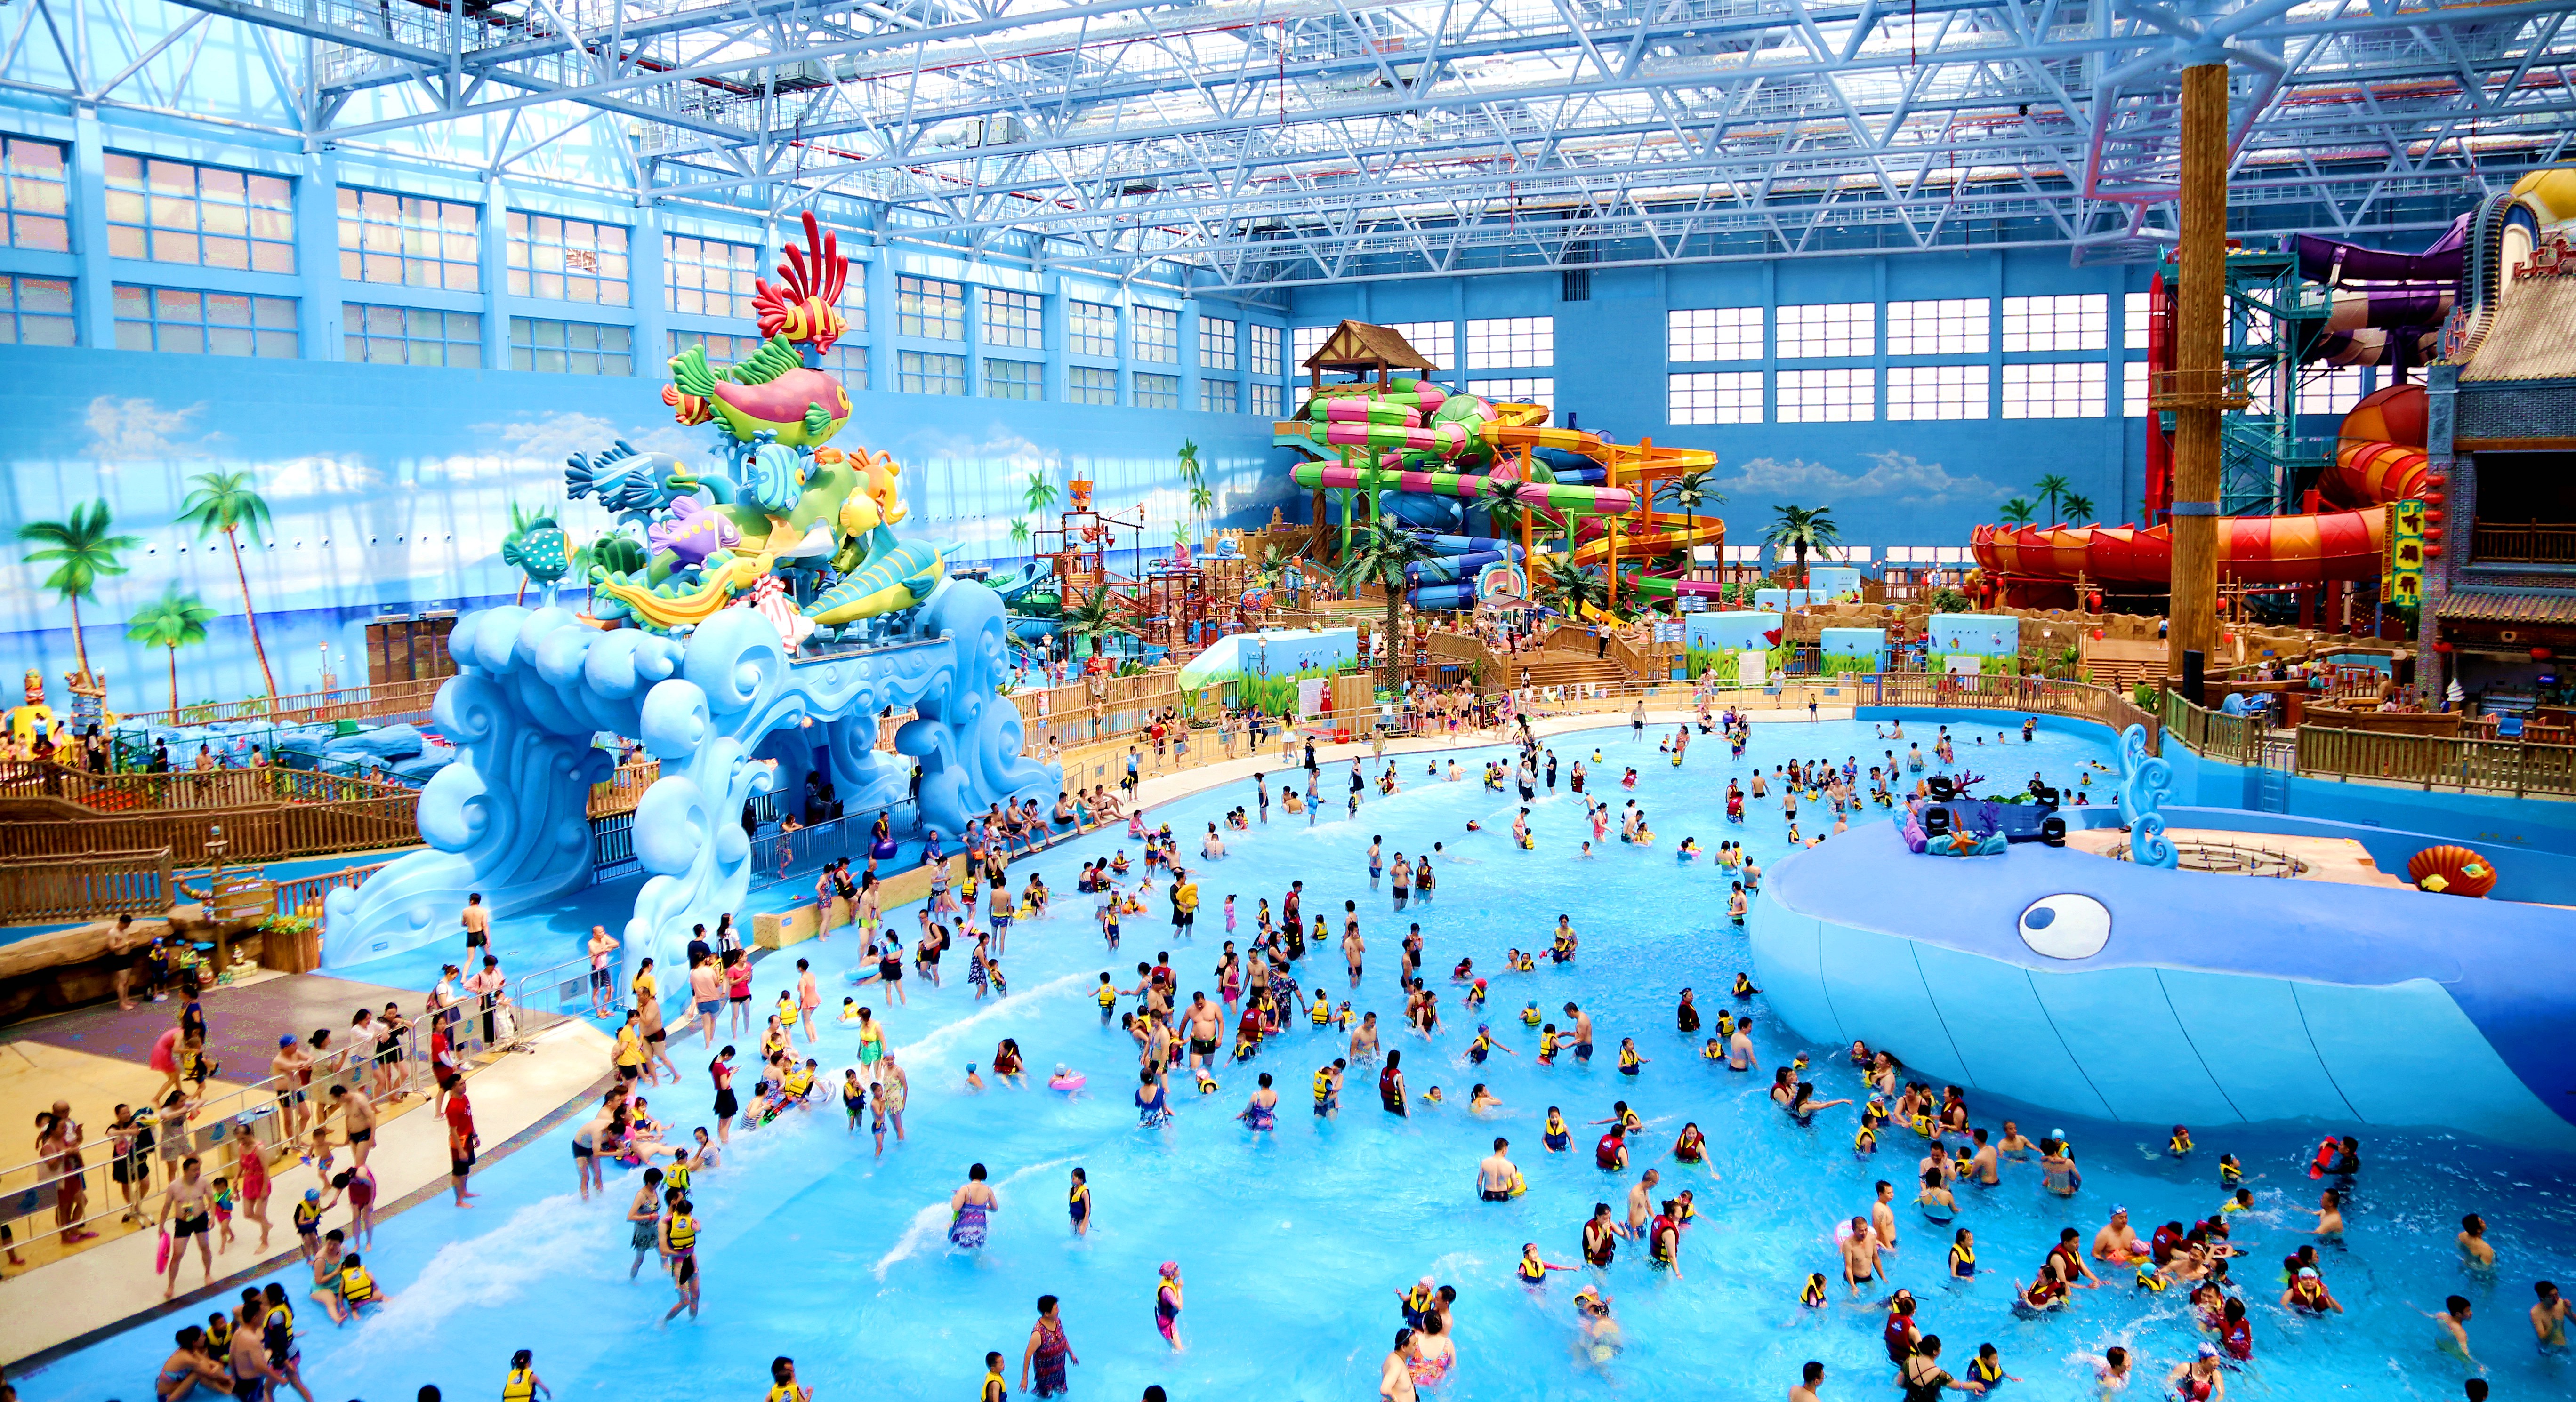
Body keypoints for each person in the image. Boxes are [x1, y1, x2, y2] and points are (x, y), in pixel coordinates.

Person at [158, 1154, 217, 1298]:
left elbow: (211, 1199)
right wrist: (161, 1226)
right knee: (177, 1254)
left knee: (205, 1247)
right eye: (194, 1170)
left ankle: (208, 1274)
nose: (198, 1172)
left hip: (200, 1218)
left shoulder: (204, 1182)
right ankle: (171, 1285)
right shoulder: (174, 1187)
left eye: (199, 1169)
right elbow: (167, 1206)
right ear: (185, 1171)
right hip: (183, 1222)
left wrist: (213, 1216)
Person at [1154, 1261, 1184, 1350]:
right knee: (1178, 1351)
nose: (1179, 1269)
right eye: (1176, 1269)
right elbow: (1179, 1307)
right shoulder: (1167, 1291)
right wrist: (1179, 1289)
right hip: (1166, 1324)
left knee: (1176, 1349)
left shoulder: (1167, 1280)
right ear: (1171, 1276)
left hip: (1167, 1320)